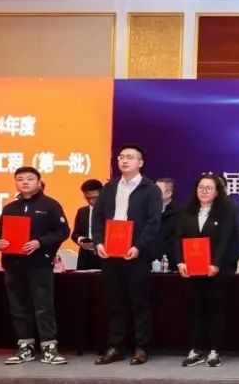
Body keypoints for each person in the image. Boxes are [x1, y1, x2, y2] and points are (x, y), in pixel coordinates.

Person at [91, 144, 162, 366]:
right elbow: (97, 217)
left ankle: (142, 347)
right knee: (115, 302)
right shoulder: (109, 188)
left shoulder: (150, 189)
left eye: (130, 157)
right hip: (110, 254)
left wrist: (139, 246)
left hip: (136, 254)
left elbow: (153, 222)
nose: (124, 160)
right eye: (121, 157)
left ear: (140, 163)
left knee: (139, 302)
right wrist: (99, 242)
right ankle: (116, 346)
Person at [0, 167, 71, 366]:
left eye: (29, 179)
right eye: (20, 179)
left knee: (43, 306)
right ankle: (25, 346)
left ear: (38, 182)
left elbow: (62, 231)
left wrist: (40, 242)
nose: (25, 182)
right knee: (18, 306)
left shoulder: (50, 205)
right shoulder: (10, 208)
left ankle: (49, 347)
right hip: (13, 264)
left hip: (39, 264)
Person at [176, 174, 239, 368]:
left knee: (215, 309)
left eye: (209, 188)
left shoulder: (226, 212)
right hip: (191, 270)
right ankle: (196, 349)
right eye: (201, 187)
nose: (204, 191)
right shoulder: (185, 212)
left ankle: (214, 351)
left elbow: (226, 241)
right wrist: (180, 262)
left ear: (217, 192)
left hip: (216, 270)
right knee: (194, 309)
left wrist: (216, 264)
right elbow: (178, 238)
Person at [70, 179, 103, 270]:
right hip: (85, 256)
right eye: (87, 198)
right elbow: (75, 234)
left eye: (95, 197)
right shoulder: (82, 211)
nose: (91, 201)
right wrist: (81, 240)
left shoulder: (110, 211)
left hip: (104, 255)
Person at [155, 177, 179, 270]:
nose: (153, 192)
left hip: (169, 260)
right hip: (149, 258)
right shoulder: (148, 209)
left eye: (157, 190)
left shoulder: (179, 213)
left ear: (168, 193)